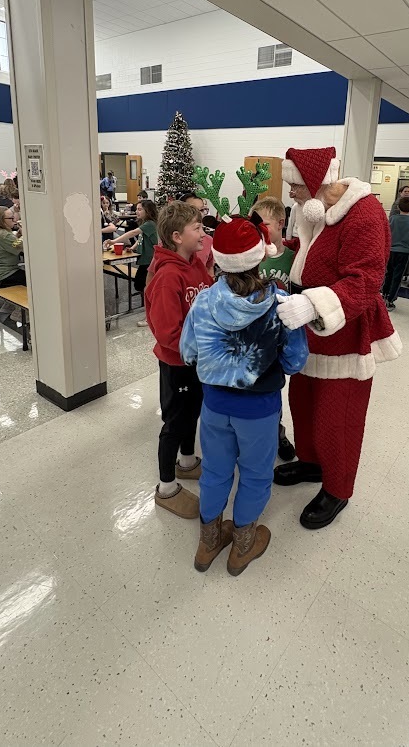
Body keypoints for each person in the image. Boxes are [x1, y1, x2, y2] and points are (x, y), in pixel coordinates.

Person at [272, 146, 401, 530]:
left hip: (343, 333)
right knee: (304, 401)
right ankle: (311, 463)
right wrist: (282, 248)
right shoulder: (314, 211)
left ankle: (338, 489)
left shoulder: (364, 214)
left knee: (337, 417)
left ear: (315, 183)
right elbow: (318, 253)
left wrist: (313, 304)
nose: (290, 194)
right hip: (308, 335)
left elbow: (364, 281)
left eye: (294, 186)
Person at [180, 216, 309, 575]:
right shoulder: (282, 304)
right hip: (260, 410)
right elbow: (296, 361)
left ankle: (207, 545)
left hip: (215, 406)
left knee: (216, 472)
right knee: (254, 475)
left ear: (218, 258)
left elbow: (188, 352)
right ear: (260, 255)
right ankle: (242, 547)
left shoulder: (204, 301)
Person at [145, 202, 214, 519]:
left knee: (192, 414)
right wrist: (202, 349)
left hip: (197, 362)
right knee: (175, 423)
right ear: (176, 236)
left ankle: (187, 462)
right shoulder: (168, 277)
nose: (203, 233)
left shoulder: (197, 265)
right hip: (178, 365)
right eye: (197, 228)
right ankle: (166, 487)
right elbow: (167, 332)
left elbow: (209, 298)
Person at [255, 195, 297, 462]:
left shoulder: (294, 259)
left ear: (281, 223)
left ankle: (278, 433)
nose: (259, 230)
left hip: (281, 337)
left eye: (265, 224)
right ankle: (253, 436)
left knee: (274, 390)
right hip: (253, 338)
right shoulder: (253, 257)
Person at [104, 199, 158, 299]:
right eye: (136, 209)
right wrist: (132, 247)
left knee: (140, 284)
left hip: (150, 259)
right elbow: (141, 238)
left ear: (148, 211)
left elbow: (133, 233)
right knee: (140, 283)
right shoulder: (146, 223)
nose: (137, 211)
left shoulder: (150, 224)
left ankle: (150, 301)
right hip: (146, 259)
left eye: (140, 209)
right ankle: (148, 300)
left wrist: (113, 242)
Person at [383, 196, 409, 310]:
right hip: (404, 252)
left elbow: (387, 233)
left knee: (389, 273)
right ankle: (391, 299)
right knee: (397, 276)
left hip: (391, 250)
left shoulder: (393, 218)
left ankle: (384, 294)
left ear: (398, 207)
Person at [178, 192, 214, 277]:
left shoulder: (208, 240)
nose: (199, 214)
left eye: (202, 210)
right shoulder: (171, 241)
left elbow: (209, 268)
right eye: (192, 210)